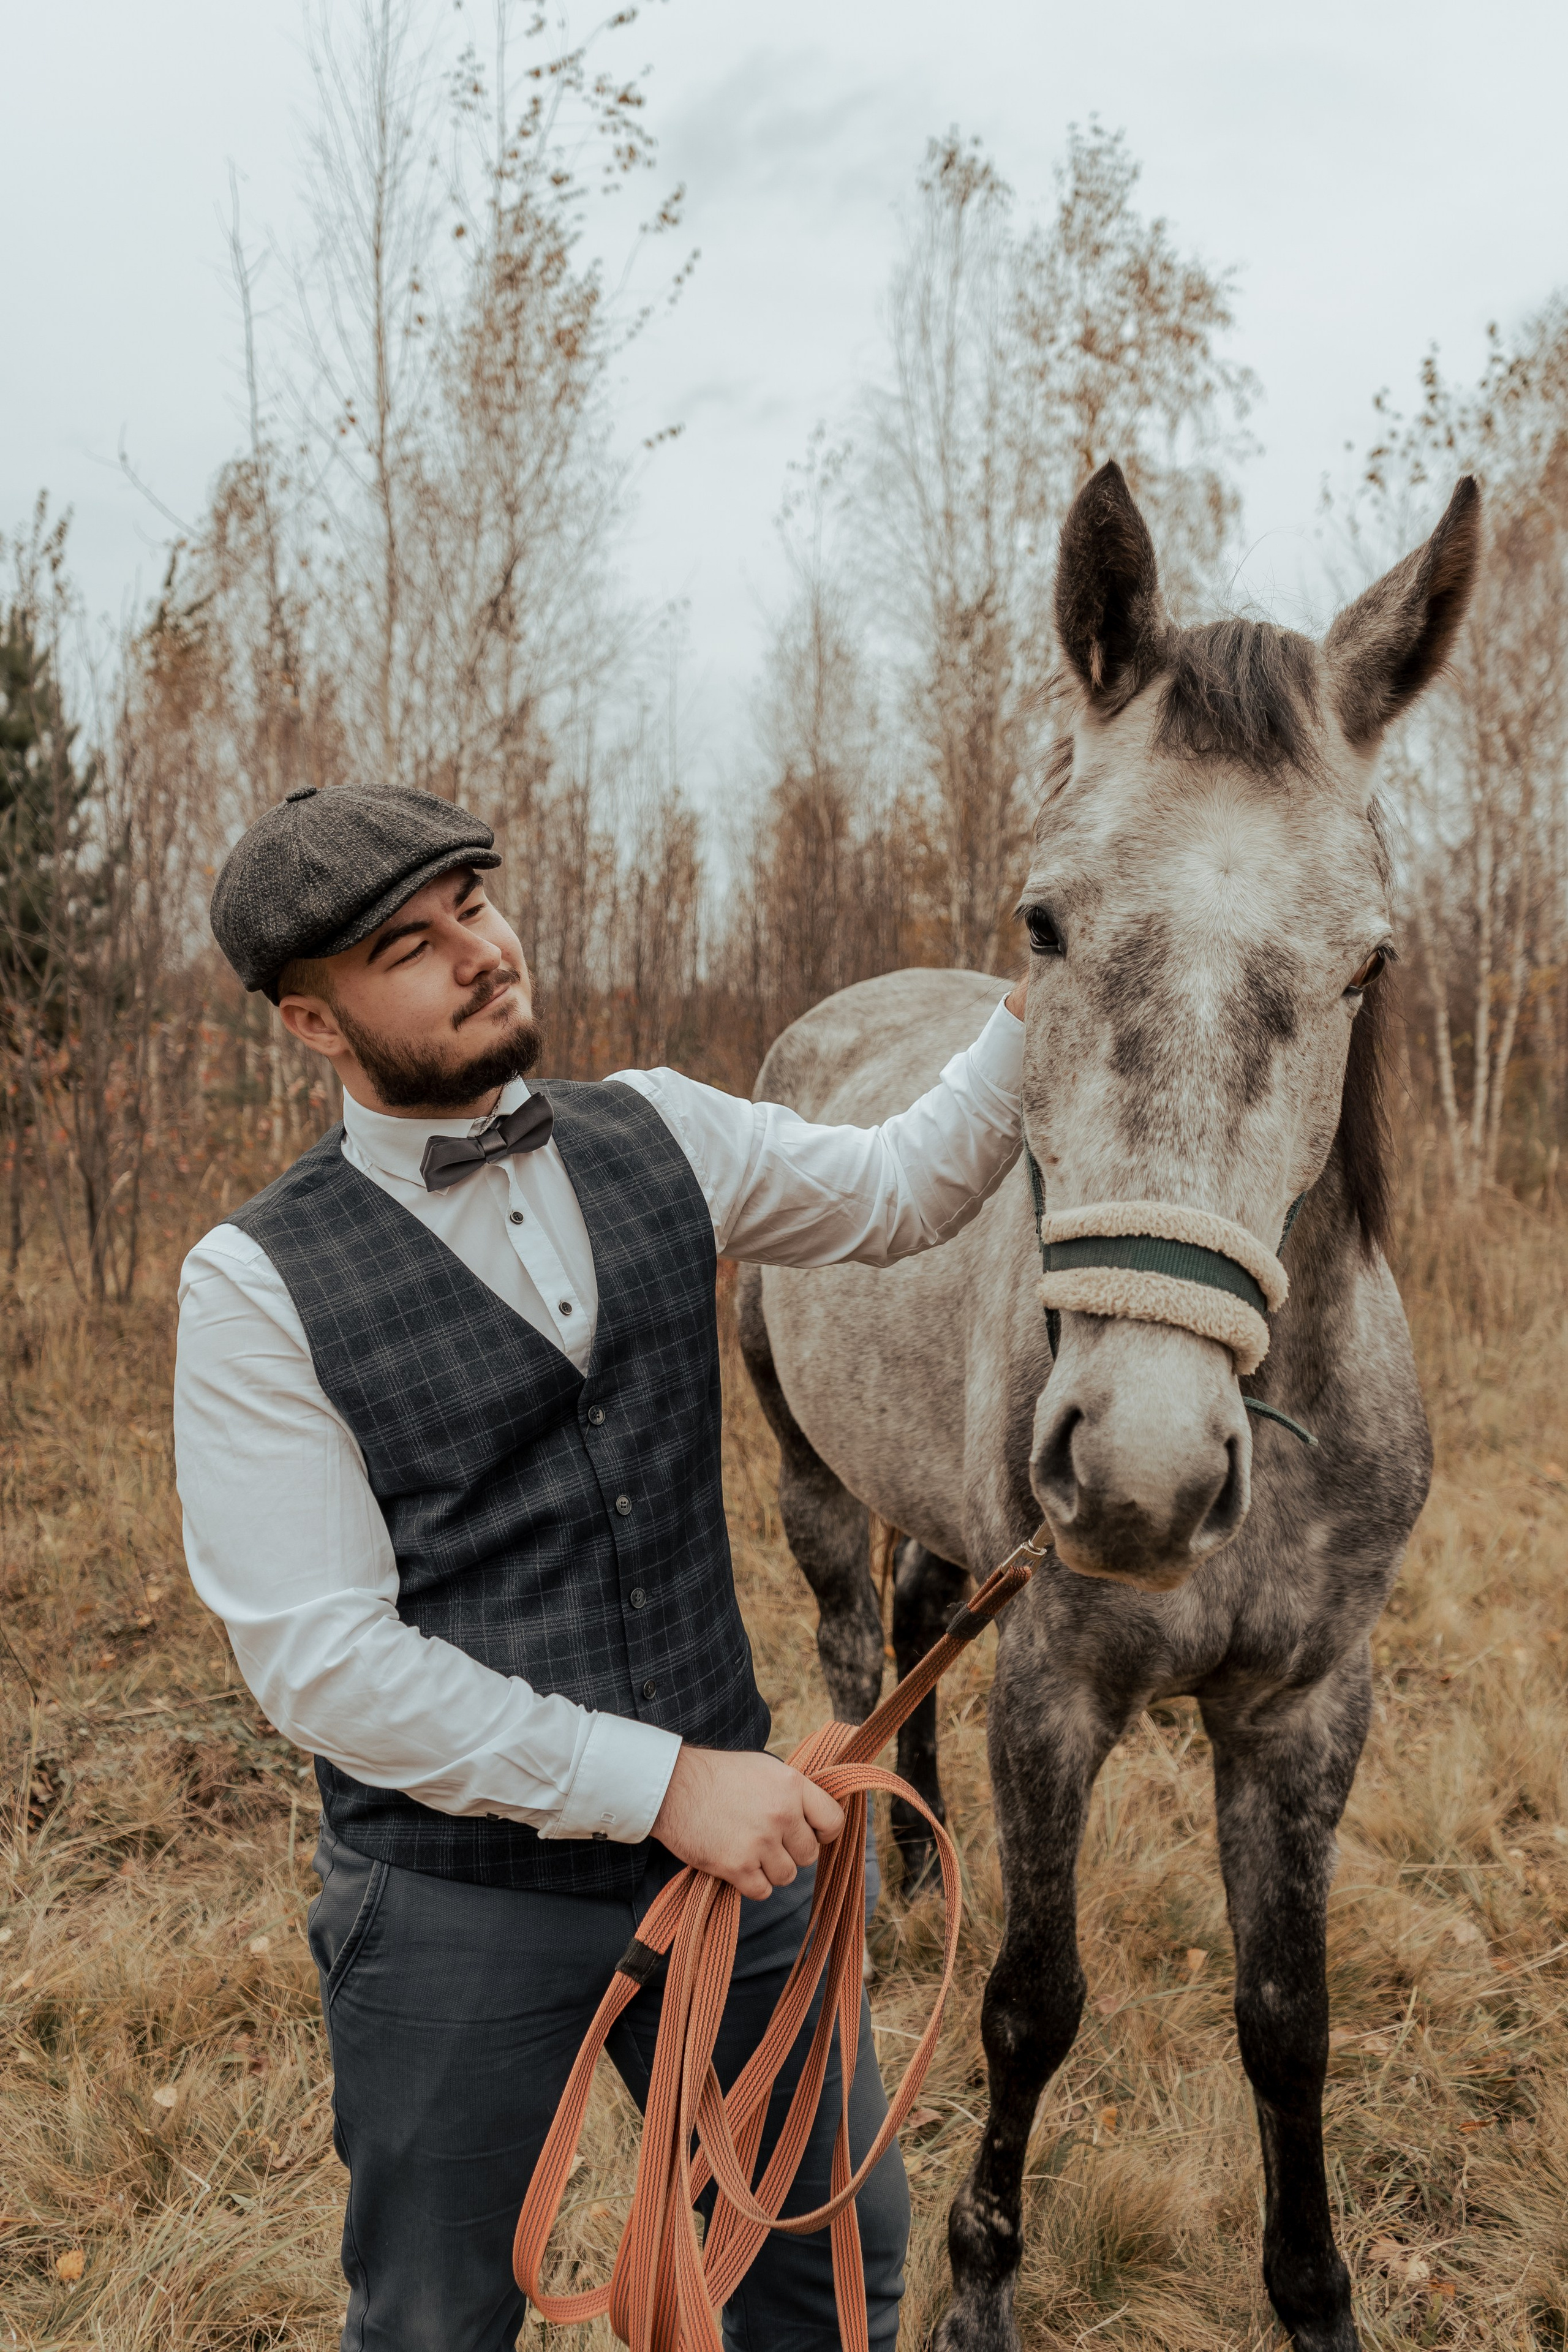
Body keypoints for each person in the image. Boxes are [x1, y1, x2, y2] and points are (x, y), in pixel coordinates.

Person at [174, 783, 1027, 2352]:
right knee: (438, 2324)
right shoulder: (249, 1288)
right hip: (453, 1905)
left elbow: (910, 1183)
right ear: (312, 1022)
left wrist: (1062, 981)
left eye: (477, 908)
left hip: (733, 1874)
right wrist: (660, 1784)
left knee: (826, 2267)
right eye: (409, 948)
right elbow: (323, 1666)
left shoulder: (662, 1128)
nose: (479, 955)